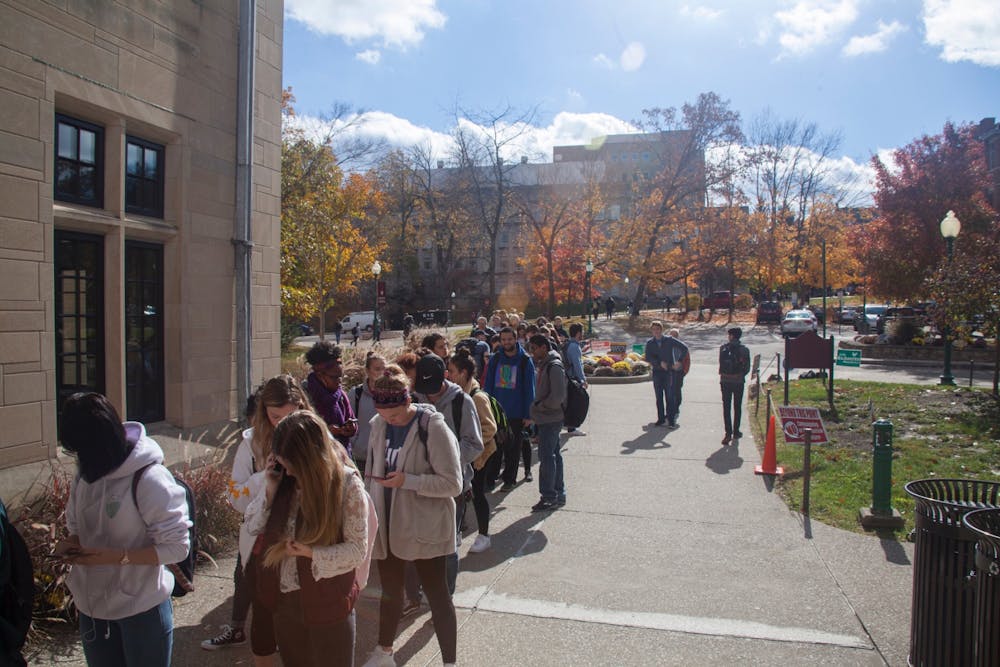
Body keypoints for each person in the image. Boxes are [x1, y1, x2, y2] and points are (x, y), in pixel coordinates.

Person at [55, 392, 191, 667]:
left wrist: (116, 557)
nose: (79, 457)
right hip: (92, 607)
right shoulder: (86, 470)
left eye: (82, 449)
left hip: (142, 608)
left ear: (101, 442)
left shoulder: (149, 478)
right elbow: (75, 524)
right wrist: (70, 544)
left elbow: (177, 547)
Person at [245, 410, 370, 667]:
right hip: (285, 602)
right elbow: (252, 526)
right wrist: (269, 488)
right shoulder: (282, 479)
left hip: (328, 603)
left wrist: (311, 552)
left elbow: (357, 550)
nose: (288, 472)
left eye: (290, 464)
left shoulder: (347, 485)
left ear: (309, 460)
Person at [202, 376, 312, 659]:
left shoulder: (316, 438)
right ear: (264, 412)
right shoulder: (250, 445)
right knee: (263, 617)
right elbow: (234, 497)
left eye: (291, 415)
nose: (284, 423)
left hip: (305, 542)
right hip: (263, 542)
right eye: (276, 416)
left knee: (299, 623)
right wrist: (265, 478)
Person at [361, 368, 462, 667]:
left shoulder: (432, 426)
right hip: (388, 525)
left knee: (437, 595)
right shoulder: (379, 424)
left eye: (394, 416)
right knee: (390, 591)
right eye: (383, 414)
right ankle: (384, 652)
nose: (388, 421)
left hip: (425, 526)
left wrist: (408, 480)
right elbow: (371, 471)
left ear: (407, 402)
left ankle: (449, 662)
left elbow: (453, 484)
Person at [412, 353, 483, 594]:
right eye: (424, 388)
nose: (429, 394)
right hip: (420, 484)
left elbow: (474, 444)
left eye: (433, 388)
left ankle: (444, 596)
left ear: (445, 375)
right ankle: (422, 589)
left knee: (448, 544)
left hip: (454, 487)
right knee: (421, 540)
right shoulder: (414, 399)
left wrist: (445, 460)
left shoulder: (462, 402)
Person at [447, 349, 497, 554]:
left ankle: (484, 535)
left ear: (464, 372)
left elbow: (490, 428)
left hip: (480, 457)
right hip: (465, 455)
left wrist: (471, 444)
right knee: (463, 493)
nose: (448, 375)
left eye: (451, 371)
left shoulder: (477, 397)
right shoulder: (458, 394)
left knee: (478, 494)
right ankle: (458, 531)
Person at [484, 327, 535, 491]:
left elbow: (529, 389)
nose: (506, 342)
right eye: (504, 339)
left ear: (516, 339)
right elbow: (489, 385)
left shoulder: (525, 361)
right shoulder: (495, 358)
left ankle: (509, 480)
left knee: (513, 449)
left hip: (517, 412)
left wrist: (528, 414)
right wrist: (486, 407)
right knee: (495, 448)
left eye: (509, 339)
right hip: (497, 411)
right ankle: (490, 479)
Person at [526, 334, 567, 512]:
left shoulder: (554, 366)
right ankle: (558, 493)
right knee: (554, 455)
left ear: (544, 347)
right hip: (547, 418)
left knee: (547, 458)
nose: (532, 352)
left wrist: (541, 406)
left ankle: (549, 496)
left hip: (551, 418)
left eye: (534, 348)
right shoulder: (546, 364)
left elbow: (557, 397)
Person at [304, 341, 358, 456]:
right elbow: (301, 434)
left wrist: (351, 427)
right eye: (334, 377)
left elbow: (351, 418)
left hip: (342, 456)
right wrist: (326, 431)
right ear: (320, 375)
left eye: (341, 377)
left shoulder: (341, 396)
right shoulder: (305, 398)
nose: (339, 381)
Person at [644, 321, 688, 428]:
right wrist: (659, 363)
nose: (656, 332)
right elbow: (648, 357)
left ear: (661, 330)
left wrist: (679, 361)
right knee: (659, 397)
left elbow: (684, 348)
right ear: (652, 331)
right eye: (654, 330)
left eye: (658, 329)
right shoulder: (650, 343)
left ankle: (671, 420)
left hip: (669, 372)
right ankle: (661, 419)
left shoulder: (669, 340)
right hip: (657, 372)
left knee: (670, 396)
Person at [350, 351, 387, 472]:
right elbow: (348, 420)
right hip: (361, 456)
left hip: (385, 458)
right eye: (377, 369)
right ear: (367, 371)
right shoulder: (356, 394)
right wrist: (356, 443)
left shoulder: (393, 393)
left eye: (384, 369)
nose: (381, 373)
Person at [719, 327, 752, 445]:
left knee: (726, 407)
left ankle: (728, 433)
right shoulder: (744, 350)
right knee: (737, 406)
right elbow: (747, 367)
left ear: (732, 336)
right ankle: (736, 431)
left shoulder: (723, 348)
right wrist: (740, 375)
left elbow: (720, 364)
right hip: (738, 381)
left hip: (725, 381)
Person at [563, 322, 588, 436]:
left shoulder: (568, 344)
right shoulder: (574, 347)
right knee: (574, 404)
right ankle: (571, 428)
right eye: (582, 332)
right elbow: (577, 365)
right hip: (572, 379)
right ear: (578, 333)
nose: (582, 334)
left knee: (569, 403)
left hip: (567, 378)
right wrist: (583, 380)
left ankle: (569, 426)